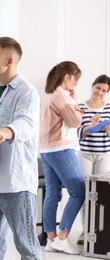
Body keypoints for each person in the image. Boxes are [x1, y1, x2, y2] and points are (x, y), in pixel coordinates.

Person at [0, 36, 42, 259]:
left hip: (16, 184)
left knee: (26, 244)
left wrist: (5, 132)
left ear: (9, 61)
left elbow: (25, 123)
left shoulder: (26, 91)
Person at [39, 61, 85, 254]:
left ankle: (51, 239)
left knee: (52, 193)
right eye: (75, 80)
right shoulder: (62, 96)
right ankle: (63, 237)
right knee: (79, 191)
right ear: (66, 77)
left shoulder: (49, 96)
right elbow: (75, 121)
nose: (75, 84)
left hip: (46, 150)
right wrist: (74, 101)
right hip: (61, 149)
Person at [76, 74, 110, 244]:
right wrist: (90, 127)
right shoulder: (80, 106)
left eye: (104, 90)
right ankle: (85, 230)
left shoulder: (109, 108)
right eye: (98, 88)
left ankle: (98, 231)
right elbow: (76, 132)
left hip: (103, 154)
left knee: (102, 194)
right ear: (92, 86)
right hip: (85, 154)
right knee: (85, 192)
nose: (100, 92)